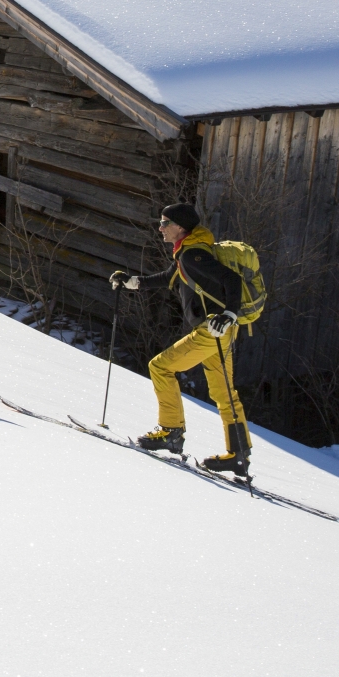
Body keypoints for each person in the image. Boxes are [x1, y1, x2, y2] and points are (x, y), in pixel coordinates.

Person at [110, 202, 251, 475]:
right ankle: (239, 454)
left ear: (180, 227)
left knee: (160, 367)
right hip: (220, 332)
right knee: (224, 393)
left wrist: (230, 313)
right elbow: (170, 277)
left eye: (165, 223)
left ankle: (171, 431)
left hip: (211, 331)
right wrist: (134, 281)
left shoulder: (193, 254)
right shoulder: (189, 252)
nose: (160, 228)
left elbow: (232, 280)